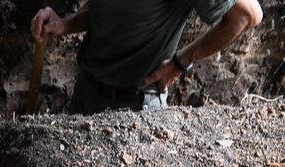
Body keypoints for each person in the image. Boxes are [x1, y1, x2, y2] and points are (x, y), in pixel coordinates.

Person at [30, 0, 262, 114]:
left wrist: (180, 62)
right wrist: (65, 24)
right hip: (86, 93)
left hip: (137, 106)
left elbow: (248, 14)